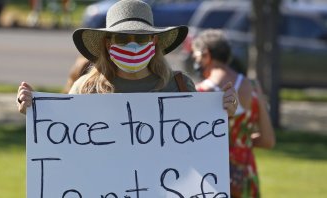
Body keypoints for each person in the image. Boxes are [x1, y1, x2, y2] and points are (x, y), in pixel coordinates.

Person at [17, 0, 238, 119]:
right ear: (107, 42)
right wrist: (35, 112)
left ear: (154, 41)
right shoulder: (86, 89)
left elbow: (200, 141)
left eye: (141, 38)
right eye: (123, 38)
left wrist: (222, 114)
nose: (133, 45)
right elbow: (60, 136)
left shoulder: (179, 86)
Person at [191, 29, 276, 198]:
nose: (196, 62)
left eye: (196, 57)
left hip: (213, 175)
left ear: (206, 55)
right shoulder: (253, 86)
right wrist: (241, 142)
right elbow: (268, 141)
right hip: (246, 175)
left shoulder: (201, 92)